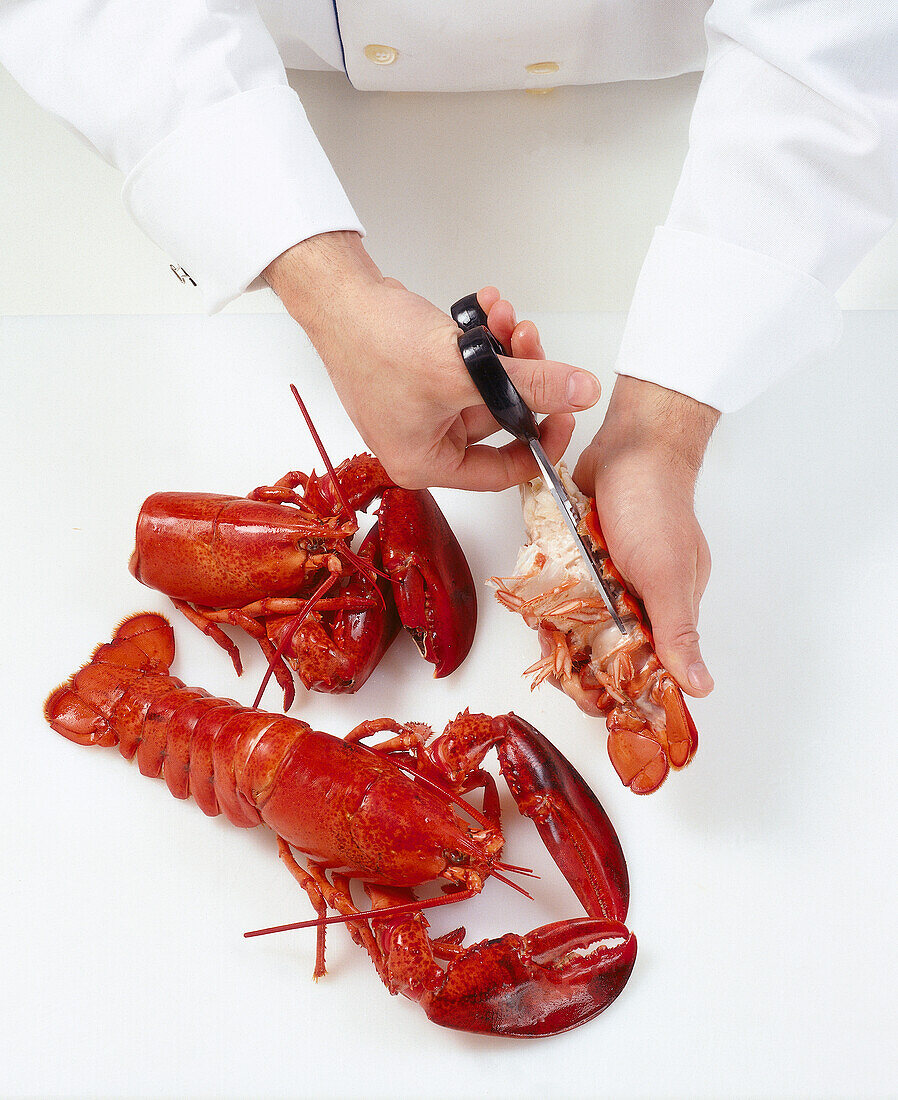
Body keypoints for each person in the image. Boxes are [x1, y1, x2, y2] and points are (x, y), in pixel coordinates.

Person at [1, 2, 895, 702]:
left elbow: (845, 36)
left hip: (705, 135)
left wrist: (663, 428)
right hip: (236, 103)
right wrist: (331, 291)